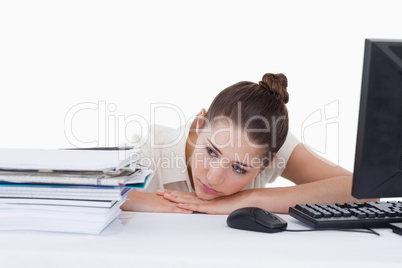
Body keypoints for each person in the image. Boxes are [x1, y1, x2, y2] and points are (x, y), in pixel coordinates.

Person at [121, 73, 375, 214]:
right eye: (211, 151)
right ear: (200, 125)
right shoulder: (151, 150)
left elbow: (365, 193)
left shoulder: (268, 142)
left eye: (239, 168)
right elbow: (86, 193)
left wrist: (248, 199)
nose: (214, 177)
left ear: (267, 165)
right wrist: (138, 200)